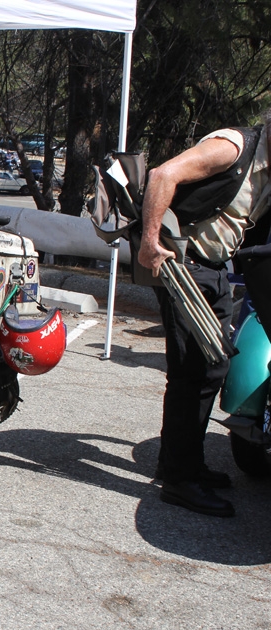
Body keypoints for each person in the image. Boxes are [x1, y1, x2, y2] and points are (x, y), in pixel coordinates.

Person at [138, 113, 271, 517]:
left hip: (214, 269)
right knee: (192, 371)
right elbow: (162, 175)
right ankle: (180, 481)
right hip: (183, 263)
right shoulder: (233, 147)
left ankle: (180, 464)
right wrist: (149, 241)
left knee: (213, 368)